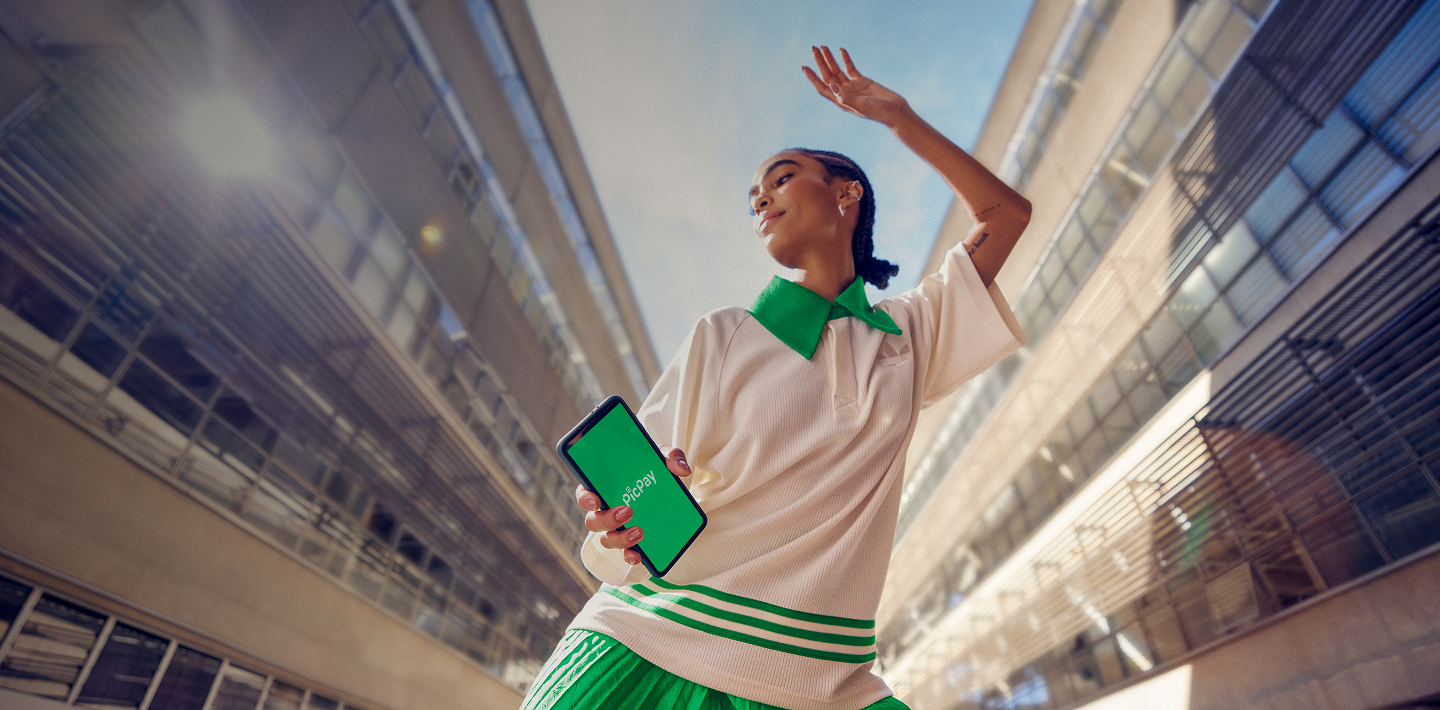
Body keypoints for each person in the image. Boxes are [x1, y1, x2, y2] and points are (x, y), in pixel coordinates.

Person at [520, 46, 1031, 710]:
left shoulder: (910, 336)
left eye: (782, 178)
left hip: (824, 682)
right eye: (755, 193)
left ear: (847, 193)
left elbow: (1006, 217)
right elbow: (638, 508)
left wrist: (900, 120)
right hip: (654, 641)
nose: (762, 197)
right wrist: (616, 524)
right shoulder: (725, 333)